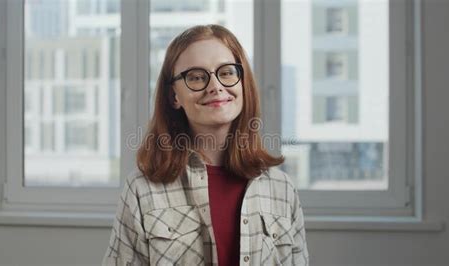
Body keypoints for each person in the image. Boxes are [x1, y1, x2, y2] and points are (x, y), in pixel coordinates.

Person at [102, 24, 309, 266]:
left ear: (243, 82)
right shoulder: (142, 189)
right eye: (197, 77)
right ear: (174, 96)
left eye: (227, 72)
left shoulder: (282, 189)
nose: (215, 86)